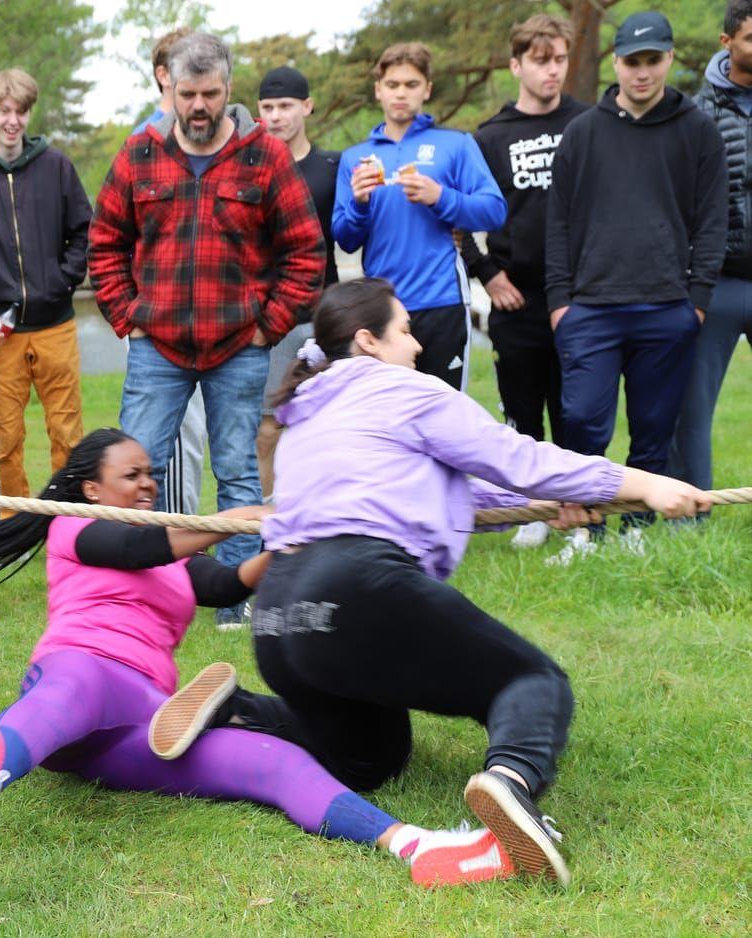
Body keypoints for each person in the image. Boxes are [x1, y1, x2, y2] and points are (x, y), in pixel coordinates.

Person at [150, 278, 711, 886]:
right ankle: (512, 784)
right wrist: (644, 482)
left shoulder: (307, 415)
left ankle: (241, 710)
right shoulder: (404, 388)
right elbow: (516, 457)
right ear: (369, 340)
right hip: (357, 586)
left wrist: (560, 500)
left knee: (370, 758)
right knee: (530, 680)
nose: (417, 346)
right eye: (406, 330)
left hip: (280, 614)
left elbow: (454, 488)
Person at [0, 429, 515, 887]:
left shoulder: (171, 557)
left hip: (143, 726)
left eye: (151, 475)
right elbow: (137, 547)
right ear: (91, 489)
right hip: (81, 673)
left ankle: (418, 848)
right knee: (74, 690)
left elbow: (225, 585)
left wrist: (286, 539)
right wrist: (237, 517)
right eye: (131, 475)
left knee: (274, 763)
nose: (146, 485)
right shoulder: (75, 528)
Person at [89, 30, 325, 627]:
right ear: (169, 85)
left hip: (238, 348)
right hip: (157, 349)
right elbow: (105, 244)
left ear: (228, 88)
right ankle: (133, 592)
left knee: (238, 470)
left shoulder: (265, 156)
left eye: (211, 94)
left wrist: (268, 327)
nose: (198, 107)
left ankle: (237, 600)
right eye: (187, 93)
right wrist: (126, 319)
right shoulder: (138, 153)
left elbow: (305, 253)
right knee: (134, 468)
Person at [545, 11, 728, 562]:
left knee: (653, 428)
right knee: (581, 420)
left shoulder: (697, 129)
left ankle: (636, 529)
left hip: (667, 306)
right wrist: (559, 304)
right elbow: (559, 223)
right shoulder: (583, 132)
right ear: (616, 63)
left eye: (653, 61)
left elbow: (712, 220)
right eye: (632, 61)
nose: (642, 73)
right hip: (591, 308)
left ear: (669, 59)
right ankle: (587, 531)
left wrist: (696, 302)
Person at [460, 14, 588, 552]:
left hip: (581, 294)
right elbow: (458, 219)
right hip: (516, 295)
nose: (551, 71)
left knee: (576, 409)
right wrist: (487, 274)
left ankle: (579, 514)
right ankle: (532, 509)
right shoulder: (489, 137)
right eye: (540, 60)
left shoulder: (589, 124)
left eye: (559, 59)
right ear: (516, 65)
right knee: (521, 410)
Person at [0, 67, 91, 506]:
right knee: (7, 439)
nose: (13, 120)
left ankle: (70, 527)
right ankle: (12, 531)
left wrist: (61, 281)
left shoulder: (56, 166)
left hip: (56, 326)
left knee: (67, 432)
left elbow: (84, 231)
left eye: (21, 111)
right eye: (4, 110)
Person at [333, 42, 507, 390]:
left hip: (442, 300)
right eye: (393, 85)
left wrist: (440, 197)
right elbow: (345, 237)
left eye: (411, 85)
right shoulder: (356, 157)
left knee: (444, 415)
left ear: (426, 89)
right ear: (378, 90)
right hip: (381, 309)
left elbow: (494, 211)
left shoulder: (455, 144)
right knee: (386, 419)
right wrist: (360, 203)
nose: (401, 94)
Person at [670, 0, 752, 504]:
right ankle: (690, 512)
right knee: (691, 410)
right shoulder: (695, 115)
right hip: (716, 281)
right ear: (727, 43)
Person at [254, 66, 342, 505]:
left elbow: (355, 229)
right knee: (268, 429)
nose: (276, 116)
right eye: (267, 107)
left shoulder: (332, 167)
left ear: (306, 106)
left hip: (327, 317)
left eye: (285, 106)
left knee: (329, 428)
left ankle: (330, 517)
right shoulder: (250, 170)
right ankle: (268, 524)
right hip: (272, 322)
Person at [135, 27, 207, 525]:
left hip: (222, 319)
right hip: (159, 321)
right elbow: (116, 236)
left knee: (203, 441)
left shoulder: (227, 138)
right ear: (165, 75)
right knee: (165, 442)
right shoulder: (142, 144)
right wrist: (131, 314)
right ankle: (170, 550)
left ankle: (193, 541)